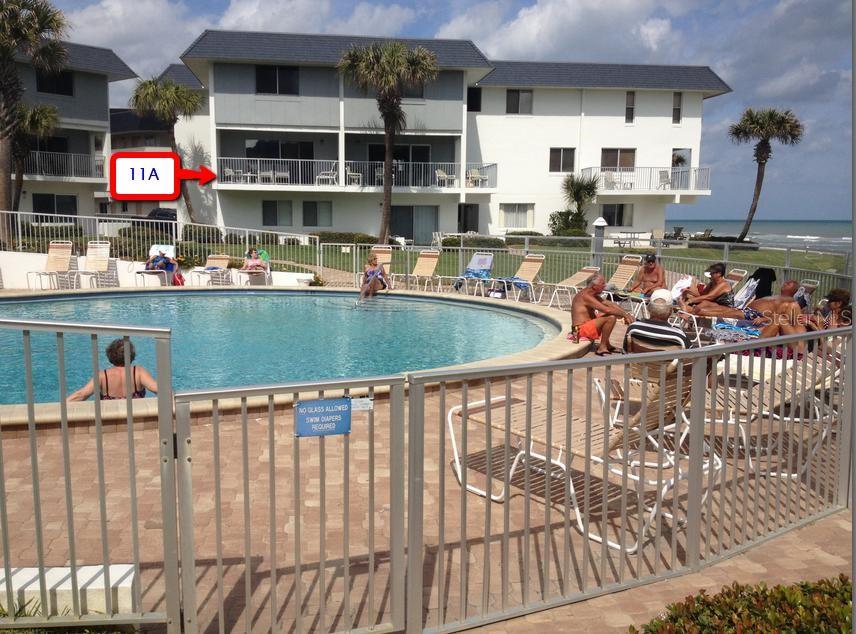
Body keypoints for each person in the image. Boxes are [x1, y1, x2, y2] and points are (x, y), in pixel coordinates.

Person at [67, 339, 158, 401]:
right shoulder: (138, 372)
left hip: (109, 425)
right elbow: (159, 390)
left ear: (110, 356)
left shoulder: (102, 376)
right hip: (135, 422)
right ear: (131, 355)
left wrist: (58, 407)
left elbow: (81, 395)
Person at [688, 279, 801, 325]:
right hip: (748, 311)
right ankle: (694, 310)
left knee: (731, 314)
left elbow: (787, 318)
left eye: (789, 283)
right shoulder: (779, 296)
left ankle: (699, 313)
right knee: (726, 310)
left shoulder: (791, 302)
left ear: (794, 289)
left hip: (756, 316)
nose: (786, 282)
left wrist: (764, 319)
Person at [571, 274, 634, 355]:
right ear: (594, 286)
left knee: (607, 315)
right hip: (578, 331)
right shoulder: (585, 296)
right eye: (602, 284)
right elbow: (607, 309)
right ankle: (602, 347)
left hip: (584, 327)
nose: (605, 286)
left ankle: (606, 344)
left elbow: (609, 304)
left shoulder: (592, 295)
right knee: (610, 317)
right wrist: (625, 315)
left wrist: (626, 314)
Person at [624, 297, 690, 349]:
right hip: (667, 366)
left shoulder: (633, 328)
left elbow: (626, 351)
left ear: (649, 309)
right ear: (670, 313)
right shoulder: (678, 335)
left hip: (636, 365)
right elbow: (687, 357)